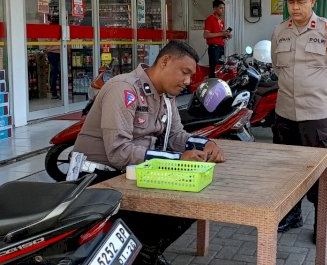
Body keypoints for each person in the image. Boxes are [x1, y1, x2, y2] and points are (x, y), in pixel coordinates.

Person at [72, 40, 226, 265]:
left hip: (134, 173)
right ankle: (143, 253)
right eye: (185, 73)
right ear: (165, 61)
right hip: (98, 178)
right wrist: (177, 159)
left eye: (191, 76)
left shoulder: (166, 95)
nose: (188, 82)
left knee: (195, 203)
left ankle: (145, 252)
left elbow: (175, 135)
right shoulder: (124, 89)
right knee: (168, 209)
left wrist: (204, 144)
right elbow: (119, 152)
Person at [270, 0, 327, 241]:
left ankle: (321, 221)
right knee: (285, 170)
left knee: (319, 172)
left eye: (301, 1)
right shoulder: (279, 31)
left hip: (315, 115)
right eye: (291, 2)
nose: (295, 7)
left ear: (312, 2)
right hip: (284, 114)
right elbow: (276, 66)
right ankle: (292, 216)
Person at [203, 0, 231, 78]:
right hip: (214, 47)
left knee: (220, 68)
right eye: (220, 8)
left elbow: (218, 34)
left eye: (223, 8)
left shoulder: (221, 21)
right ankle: (212, 86)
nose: (222, 10)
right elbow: (206, 35)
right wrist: (221, 33)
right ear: (215, 8)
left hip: (221, 47)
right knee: (214, 69)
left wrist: (225, 35)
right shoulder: (210, 19)